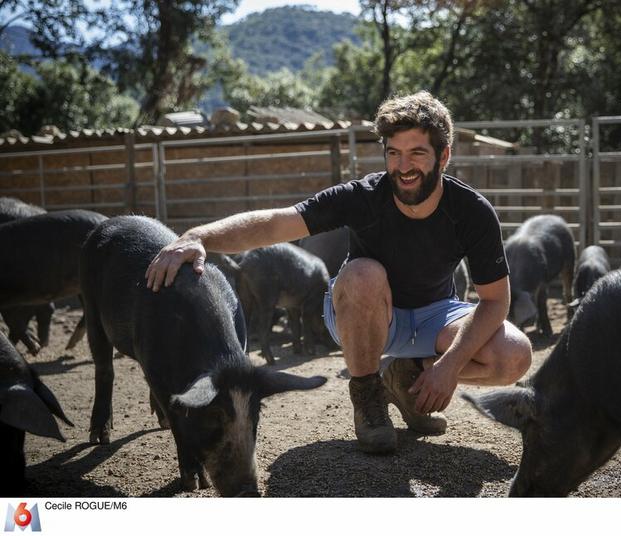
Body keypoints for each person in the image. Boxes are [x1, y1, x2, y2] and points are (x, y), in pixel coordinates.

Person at [145, 91, 532, 454]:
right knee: (363, 273)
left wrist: (448, 368)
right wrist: (199, 236)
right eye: (393, 153)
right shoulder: (362, 197)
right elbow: (276, 224)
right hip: (363, 309)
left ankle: (406, 377)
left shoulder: (472, 212)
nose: (403, 166)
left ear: (444, 156)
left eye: (416, 153)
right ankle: (368, 396)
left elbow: (495, 300)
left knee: (514, 356)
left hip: (436, 315)